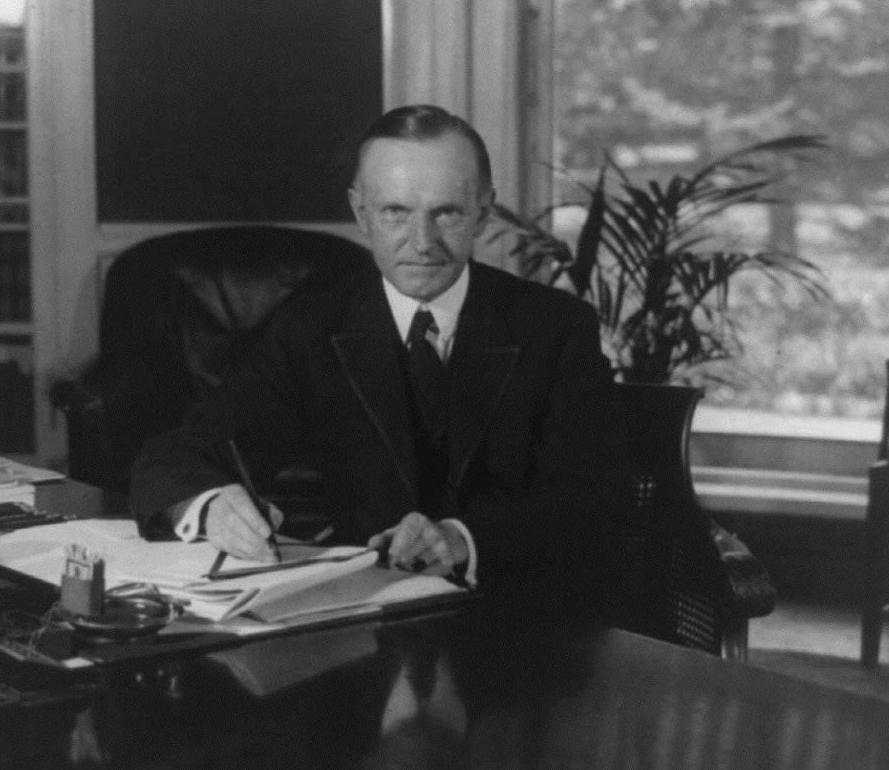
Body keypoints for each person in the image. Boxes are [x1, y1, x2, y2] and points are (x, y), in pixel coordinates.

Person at [130, 105, 636, 614]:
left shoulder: (555, 325)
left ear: (483, 213)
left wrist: (462, 539)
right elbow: (175, 455)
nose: (422, 243)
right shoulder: (310, 329)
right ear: (361, 212)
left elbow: (594, 497)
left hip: (525, 619)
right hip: (365, 626)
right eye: (396, 211)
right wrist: (211, 505)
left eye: (447, 213)